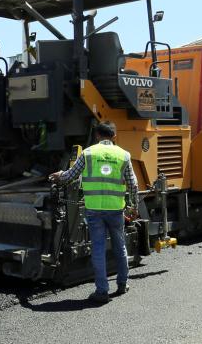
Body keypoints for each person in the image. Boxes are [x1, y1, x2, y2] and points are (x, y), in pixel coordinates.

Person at [49, 121, 138, 303]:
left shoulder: (88, 153)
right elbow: (133, 184)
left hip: (94, 209)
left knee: (98, 248)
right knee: (120, 246)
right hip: (115, 209)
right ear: (114, 136)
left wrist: (59, 176)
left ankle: (102, 291)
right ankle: (122, 284)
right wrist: (133, 206)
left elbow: (69, 176)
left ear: (97, 136)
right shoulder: (124, 155)